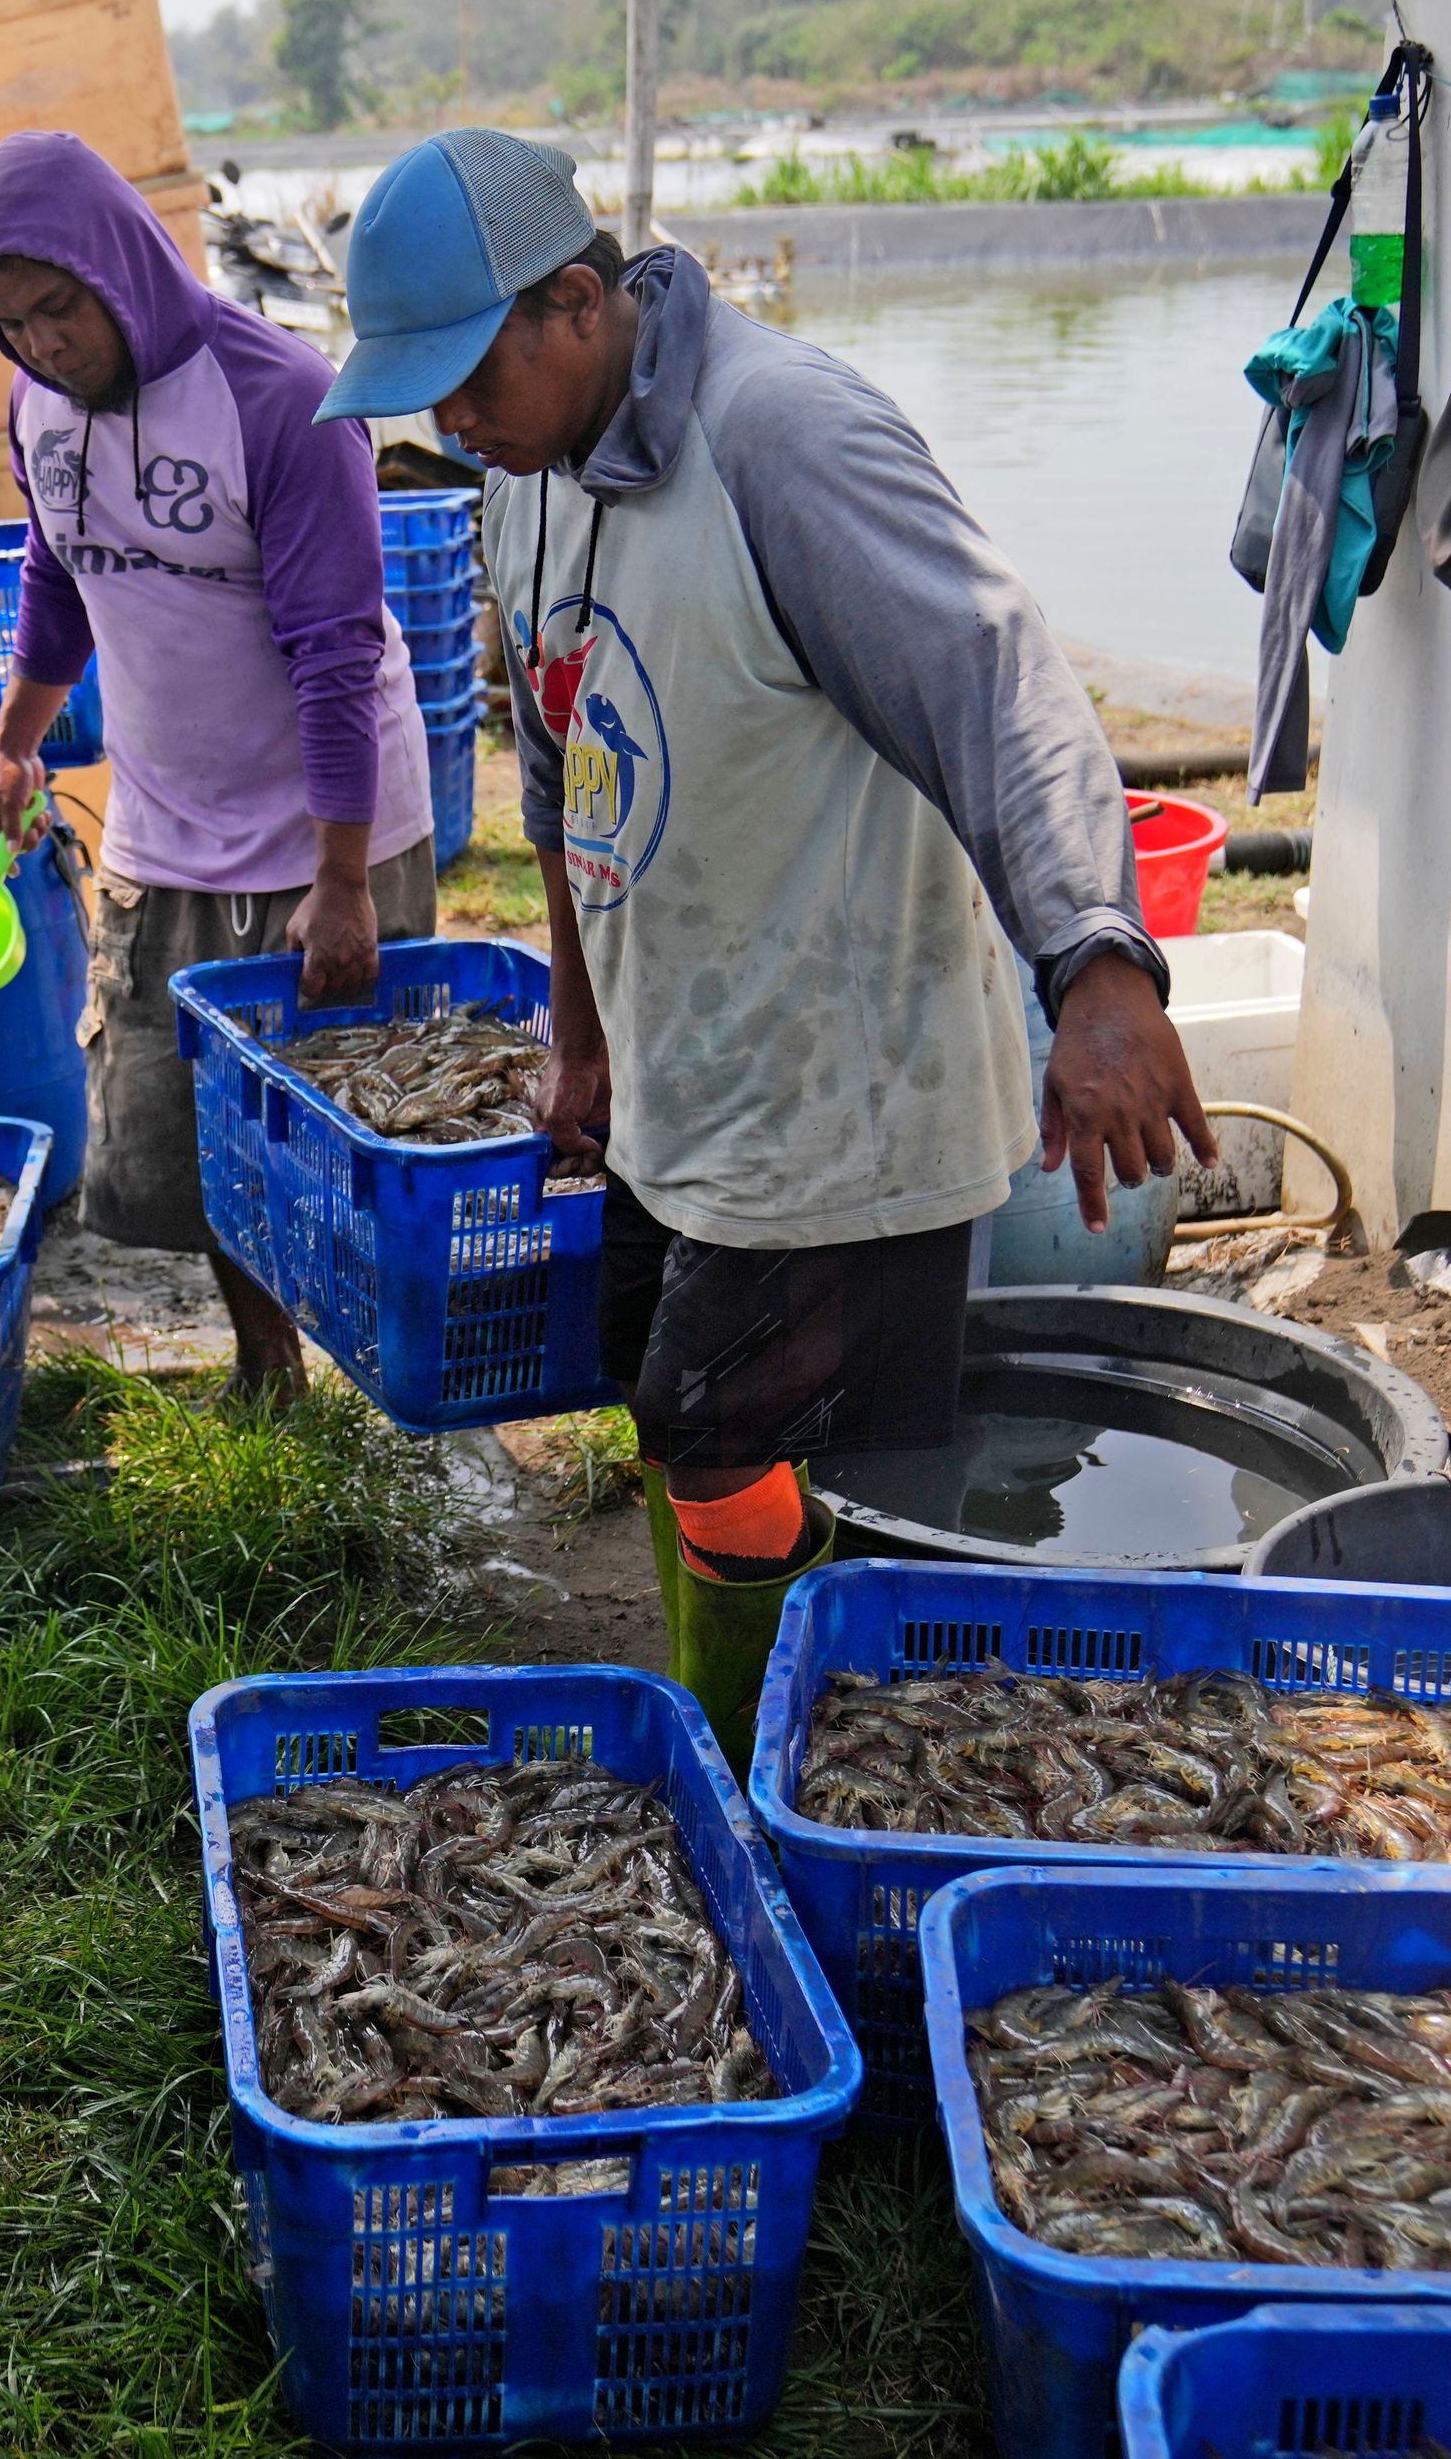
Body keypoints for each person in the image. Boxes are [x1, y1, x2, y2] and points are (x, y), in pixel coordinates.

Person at [320, 132, 1215, 1751]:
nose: (443, 425)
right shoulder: (522, 485)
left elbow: (1003, 696)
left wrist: (1097, 963)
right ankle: (765, 1712)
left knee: (731, 1432)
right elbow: (554, 764)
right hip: (683, 1065)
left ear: (576, 304)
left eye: (460, 377)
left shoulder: (783, 441)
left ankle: (786, 1771)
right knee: (665, 1409)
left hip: (843, 1083)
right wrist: (581, 1035)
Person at [0, 130, 440, 1398]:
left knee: (351, 1118)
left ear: (119, 268)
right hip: (164, 821)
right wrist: (16, 742)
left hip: (329, 825)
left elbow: (337, 654)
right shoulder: (34, 409)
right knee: (184, 1138)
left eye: (58, 309)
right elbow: (54, 575)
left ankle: (386, 1375)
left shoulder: (282, 399)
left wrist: (338, 881)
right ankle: (266, 1361)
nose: (41, 344)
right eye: (9, 325)